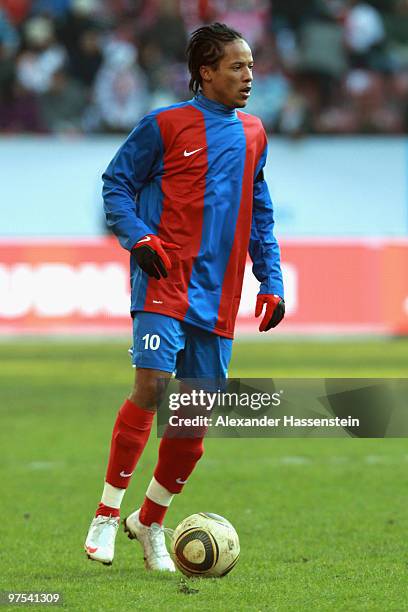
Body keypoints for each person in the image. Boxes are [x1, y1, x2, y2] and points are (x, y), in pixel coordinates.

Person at [84, 22, 285, 571]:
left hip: (219, 291)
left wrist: (272, 279)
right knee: (152, 385)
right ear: (206, 72)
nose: (248, 76)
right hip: (164, 275)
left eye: (250, 66)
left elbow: (259, 214)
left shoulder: (253, 134)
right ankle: (105, 513)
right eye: (237, 67)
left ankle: (149, 520)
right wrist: (139, 236)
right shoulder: (164, 125)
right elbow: (116, 184)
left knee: (192, 418)